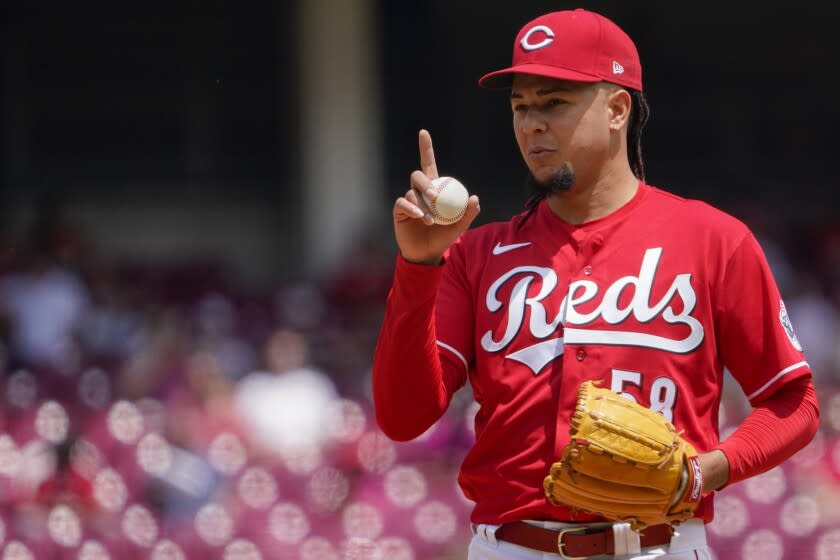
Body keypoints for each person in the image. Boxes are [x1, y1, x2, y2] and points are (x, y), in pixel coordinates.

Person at [371, 8, 820, 560]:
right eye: (520, 106)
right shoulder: (477, 255)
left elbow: (794, 402)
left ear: (616, 108)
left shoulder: (713, 241)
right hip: (512, 548)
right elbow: (402, 416)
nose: (531, 123)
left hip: (662, 545)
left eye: (553, 103)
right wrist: (418, 268)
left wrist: (704, 473)